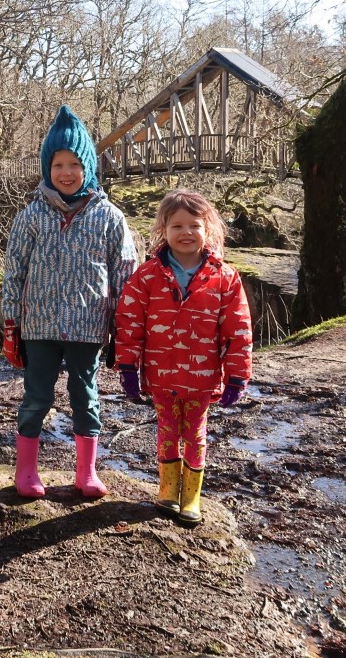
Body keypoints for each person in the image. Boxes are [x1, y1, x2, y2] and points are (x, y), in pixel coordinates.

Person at [2, 105, 137, 499]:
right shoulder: (31, 216)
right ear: (48, 168)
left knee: (86, 395)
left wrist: (122, 326)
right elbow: (14, 271)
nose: (66, 172)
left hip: (89, 324)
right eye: (58, 163)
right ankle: (26, 471)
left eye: (75, 163)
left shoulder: (109, 217)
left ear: (88, 167)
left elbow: (125, 273)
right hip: (39, 325)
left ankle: (86, 472)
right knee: (36, 396)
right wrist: (12, 323)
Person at [113, 189, 252, 526]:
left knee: (196, 433)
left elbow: (238, 330)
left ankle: (191, 497)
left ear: (209, 230)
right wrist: (128, 366)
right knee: (167, 429)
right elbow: (129, 322)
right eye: (177, 226)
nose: (186, 233)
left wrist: (238, 375)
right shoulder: (147, 275)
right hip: (161, 374)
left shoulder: (224, 277)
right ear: (163, 230)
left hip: (202, 376)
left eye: (194, 225)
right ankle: (167, 490)